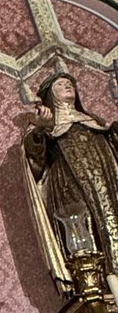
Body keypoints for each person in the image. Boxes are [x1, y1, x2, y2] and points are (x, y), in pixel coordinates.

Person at [22, 68, 118, 290]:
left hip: (107, 181)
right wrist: (40, 129)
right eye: (60, 84)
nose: (67, 86)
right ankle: (96, 282)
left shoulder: (94, 121)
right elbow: (35, 161)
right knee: (86, 228)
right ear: (49, 95)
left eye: (70, 84)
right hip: (70, 185)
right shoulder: (47, 126)